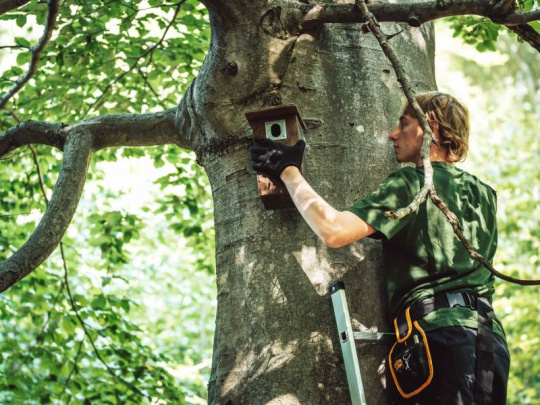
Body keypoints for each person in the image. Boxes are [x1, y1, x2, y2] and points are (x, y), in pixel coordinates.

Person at [250, 92, 510, 404]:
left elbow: (333, 231)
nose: (392, 134)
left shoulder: (413, 182)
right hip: (489, 344)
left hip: (441, 341)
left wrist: (287, 170)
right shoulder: (485, 195)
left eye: (403, 124)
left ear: (432, 129)